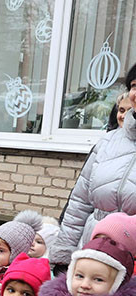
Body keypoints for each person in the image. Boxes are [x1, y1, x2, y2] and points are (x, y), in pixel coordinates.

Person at [49, 63, 136, 271]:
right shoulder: (107, 142)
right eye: (133, 85)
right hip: (92, 259)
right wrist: (63, 254)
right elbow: (79, 203)